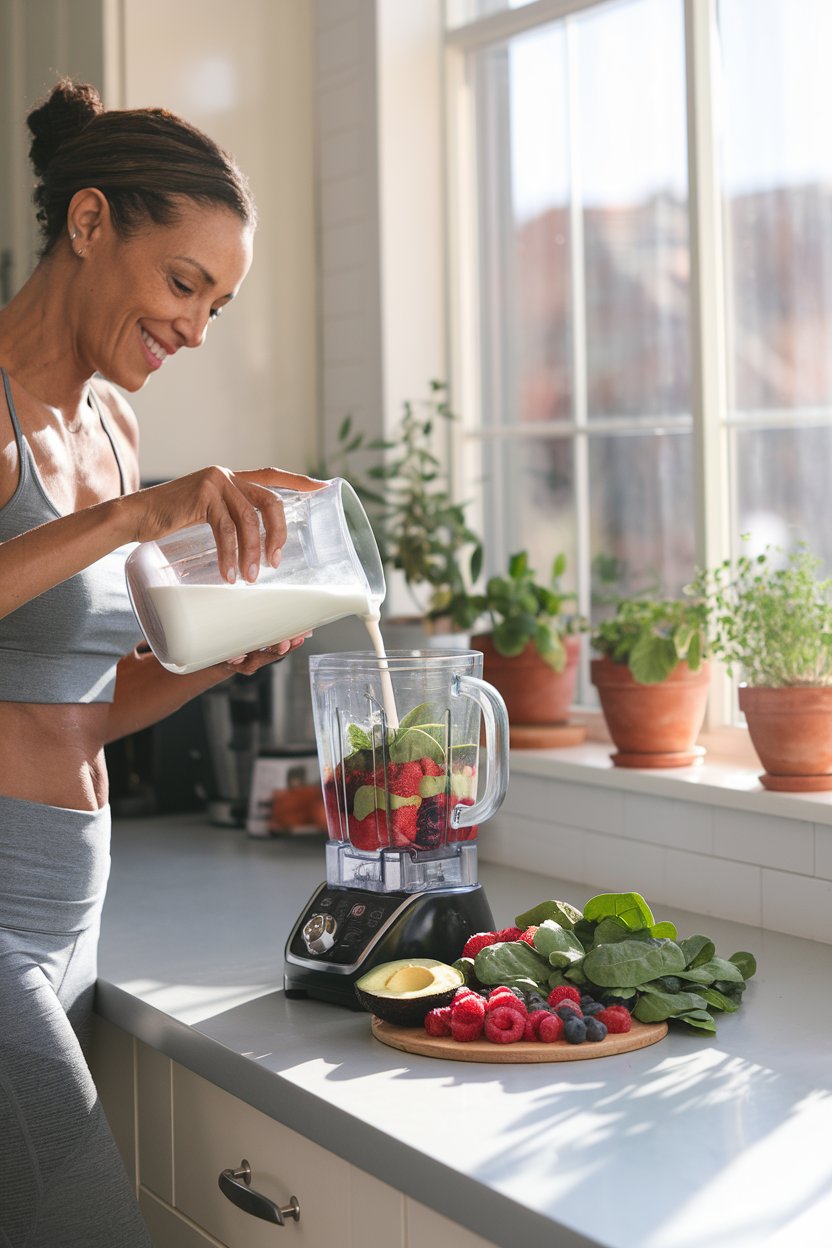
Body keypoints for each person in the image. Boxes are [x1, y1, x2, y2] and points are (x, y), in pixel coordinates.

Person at [0, 79, 321, 1246]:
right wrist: (137, 522)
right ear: (90, 224)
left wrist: (223, 655)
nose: (194, 327)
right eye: (184, 284)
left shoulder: (113, 428)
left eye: (217, 306)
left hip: (67, 902)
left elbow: (78, 714)